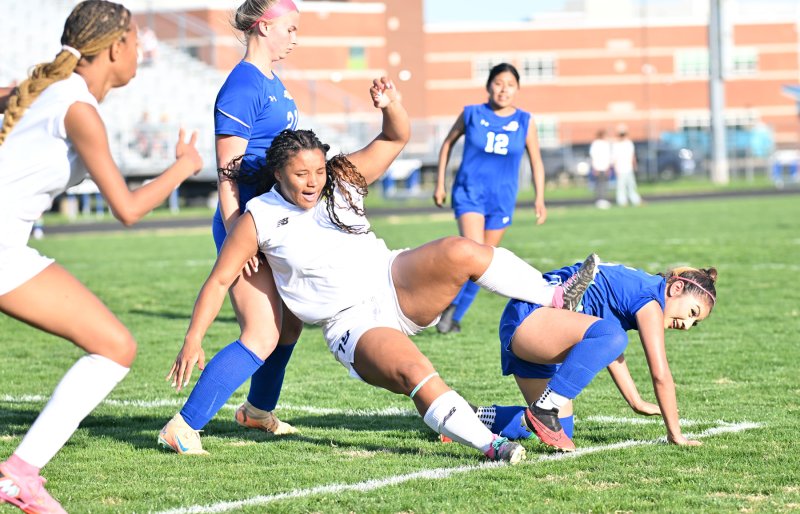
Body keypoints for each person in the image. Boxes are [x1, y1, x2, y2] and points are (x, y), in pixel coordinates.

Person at [165, 77, 599, 465]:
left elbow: (396, 137)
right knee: (416, 371)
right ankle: (491, 445)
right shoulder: (258, 216)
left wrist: (390, 104)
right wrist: (193, 338)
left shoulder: (341, 177)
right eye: (301, 174)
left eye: (318, 170)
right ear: (278, 173)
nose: (314, 181)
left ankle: (554, 296)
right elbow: (219, 279)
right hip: (350, 323)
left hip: (393, 280)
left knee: (461, 249)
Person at [0, 2, 203, 512]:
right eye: (136, 42)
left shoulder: (51, 93)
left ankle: (21, 475)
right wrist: (185, 167)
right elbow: (129, 210)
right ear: (115, 48)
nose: (140, 52)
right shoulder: (77, 109)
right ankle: (20, 475)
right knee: (115, 346)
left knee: (114, 345)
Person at [158, 0, 305, 455]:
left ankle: (257, 412)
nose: (295, 37)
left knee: (290, 326)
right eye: (290, 28)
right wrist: (238, 234)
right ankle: (183, 425)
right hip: (245, 226)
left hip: (271, 223)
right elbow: (228, 173)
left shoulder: (272, 82)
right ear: (264, 27)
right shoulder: (243, 85)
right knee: (261, 333)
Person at [491, 260, 717, 451]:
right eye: (692, 312)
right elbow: (660, 374)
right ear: (676, 288)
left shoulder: (644, 289)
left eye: (694, 323)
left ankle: (466, 417)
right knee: (614, 336)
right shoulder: (650, 301)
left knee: (561, 428)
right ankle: (545, 408)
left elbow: (608, 347)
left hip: (539, 325)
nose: (687, 325)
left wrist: (635, 401)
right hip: (531, 317)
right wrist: (676, 434)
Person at [433, 63, 548, 334]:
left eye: (510, 84)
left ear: (518, 89)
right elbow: (447, 143)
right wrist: (440, 184)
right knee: (473, 251)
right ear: (488, 86)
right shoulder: (471, 113)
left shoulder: (525, 121)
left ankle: (453, 316)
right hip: (469, 193)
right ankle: (443, 309)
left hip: (502, 199)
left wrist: (540, 198)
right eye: (498, 82)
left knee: (484, 262)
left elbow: (536, 161)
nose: (504, 89)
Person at [612, 125, 642, 207]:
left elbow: (632, 157)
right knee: (622, 186)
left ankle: (635, 200)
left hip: (627, 168)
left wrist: (634, 166)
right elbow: (615, 159)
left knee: (630, 185)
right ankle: (623, 202)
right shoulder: (618, 144)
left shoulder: (627, 143)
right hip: (622, 168)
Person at [589, 128, 612, 209]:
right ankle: (600, 200)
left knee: (604, 184)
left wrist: (608, 167)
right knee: (599, 184)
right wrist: (594, 167)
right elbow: (593, 156)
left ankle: (604, 199)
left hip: (604, 166)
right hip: (599, 166)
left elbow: (608, 156)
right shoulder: (596, 144)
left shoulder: (605, 144)